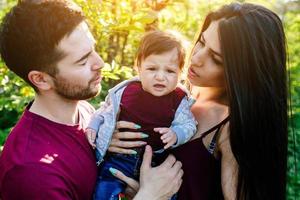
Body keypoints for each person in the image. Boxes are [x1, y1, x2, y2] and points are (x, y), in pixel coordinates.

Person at [0, 0, 183, 199]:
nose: (100, 63)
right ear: (41, 79)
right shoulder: (31, 173)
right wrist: (149, 196)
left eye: (93, 49)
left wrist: (102, 144)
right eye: (83, 60)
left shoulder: (84, 111)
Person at [109, 2, 288, 200]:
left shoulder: (231, 128)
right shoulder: (174, 93)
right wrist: (110, 138)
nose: (196, 59)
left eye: (216, 59)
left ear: (244, 71)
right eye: (202, 42)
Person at [85, 30, 197, 199]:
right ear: (138, 67)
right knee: (104, 190)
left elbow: (189, 124)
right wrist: (94, 124)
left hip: (156, 164)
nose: (160, 77)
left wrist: (177, 133)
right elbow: (105, 111)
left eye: (170, 71)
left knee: (171, 194)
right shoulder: (126, 92)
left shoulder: (180, 100)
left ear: (181, 73)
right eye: (152, 68)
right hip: (121, 159)